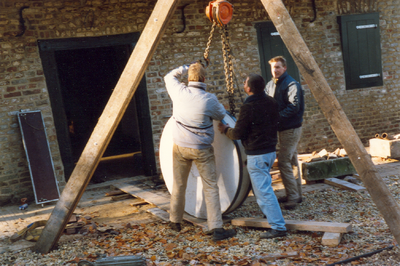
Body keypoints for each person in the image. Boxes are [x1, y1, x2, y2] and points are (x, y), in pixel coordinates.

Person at [164, 62, 236, 241]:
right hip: (201, 149)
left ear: (188, 79)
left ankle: (174, 221)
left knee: (179, 184)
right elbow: (222, 116)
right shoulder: (209, 99)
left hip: (180, 147)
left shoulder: (178, 91)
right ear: (204, 79)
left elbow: (168, 76)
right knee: (210, 186)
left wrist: (185, 66)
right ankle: (216, 228)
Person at [218, 73, 287, 239]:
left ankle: (278, 227)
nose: (243, 84)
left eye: (245, 82)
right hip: (270, 151)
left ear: (248, 88)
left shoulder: (248, 107)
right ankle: (269, 215)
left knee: (264, 191)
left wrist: (225, 129)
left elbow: (237, 134)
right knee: (262, 188)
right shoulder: (271, 102)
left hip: (257, 154)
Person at [265, 56, 305, 210]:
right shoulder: (270, 85)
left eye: (278, 67)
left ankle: (293, 197)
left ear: (284, 68)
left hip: (291, 128)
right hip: (281, 128)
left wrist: (275, 118)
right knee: (292, 160)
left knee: (283, 161)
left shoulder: (291, 84)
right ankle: (296, 194)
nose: (275, 70)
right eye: (273, 68)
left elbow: (293, 106)